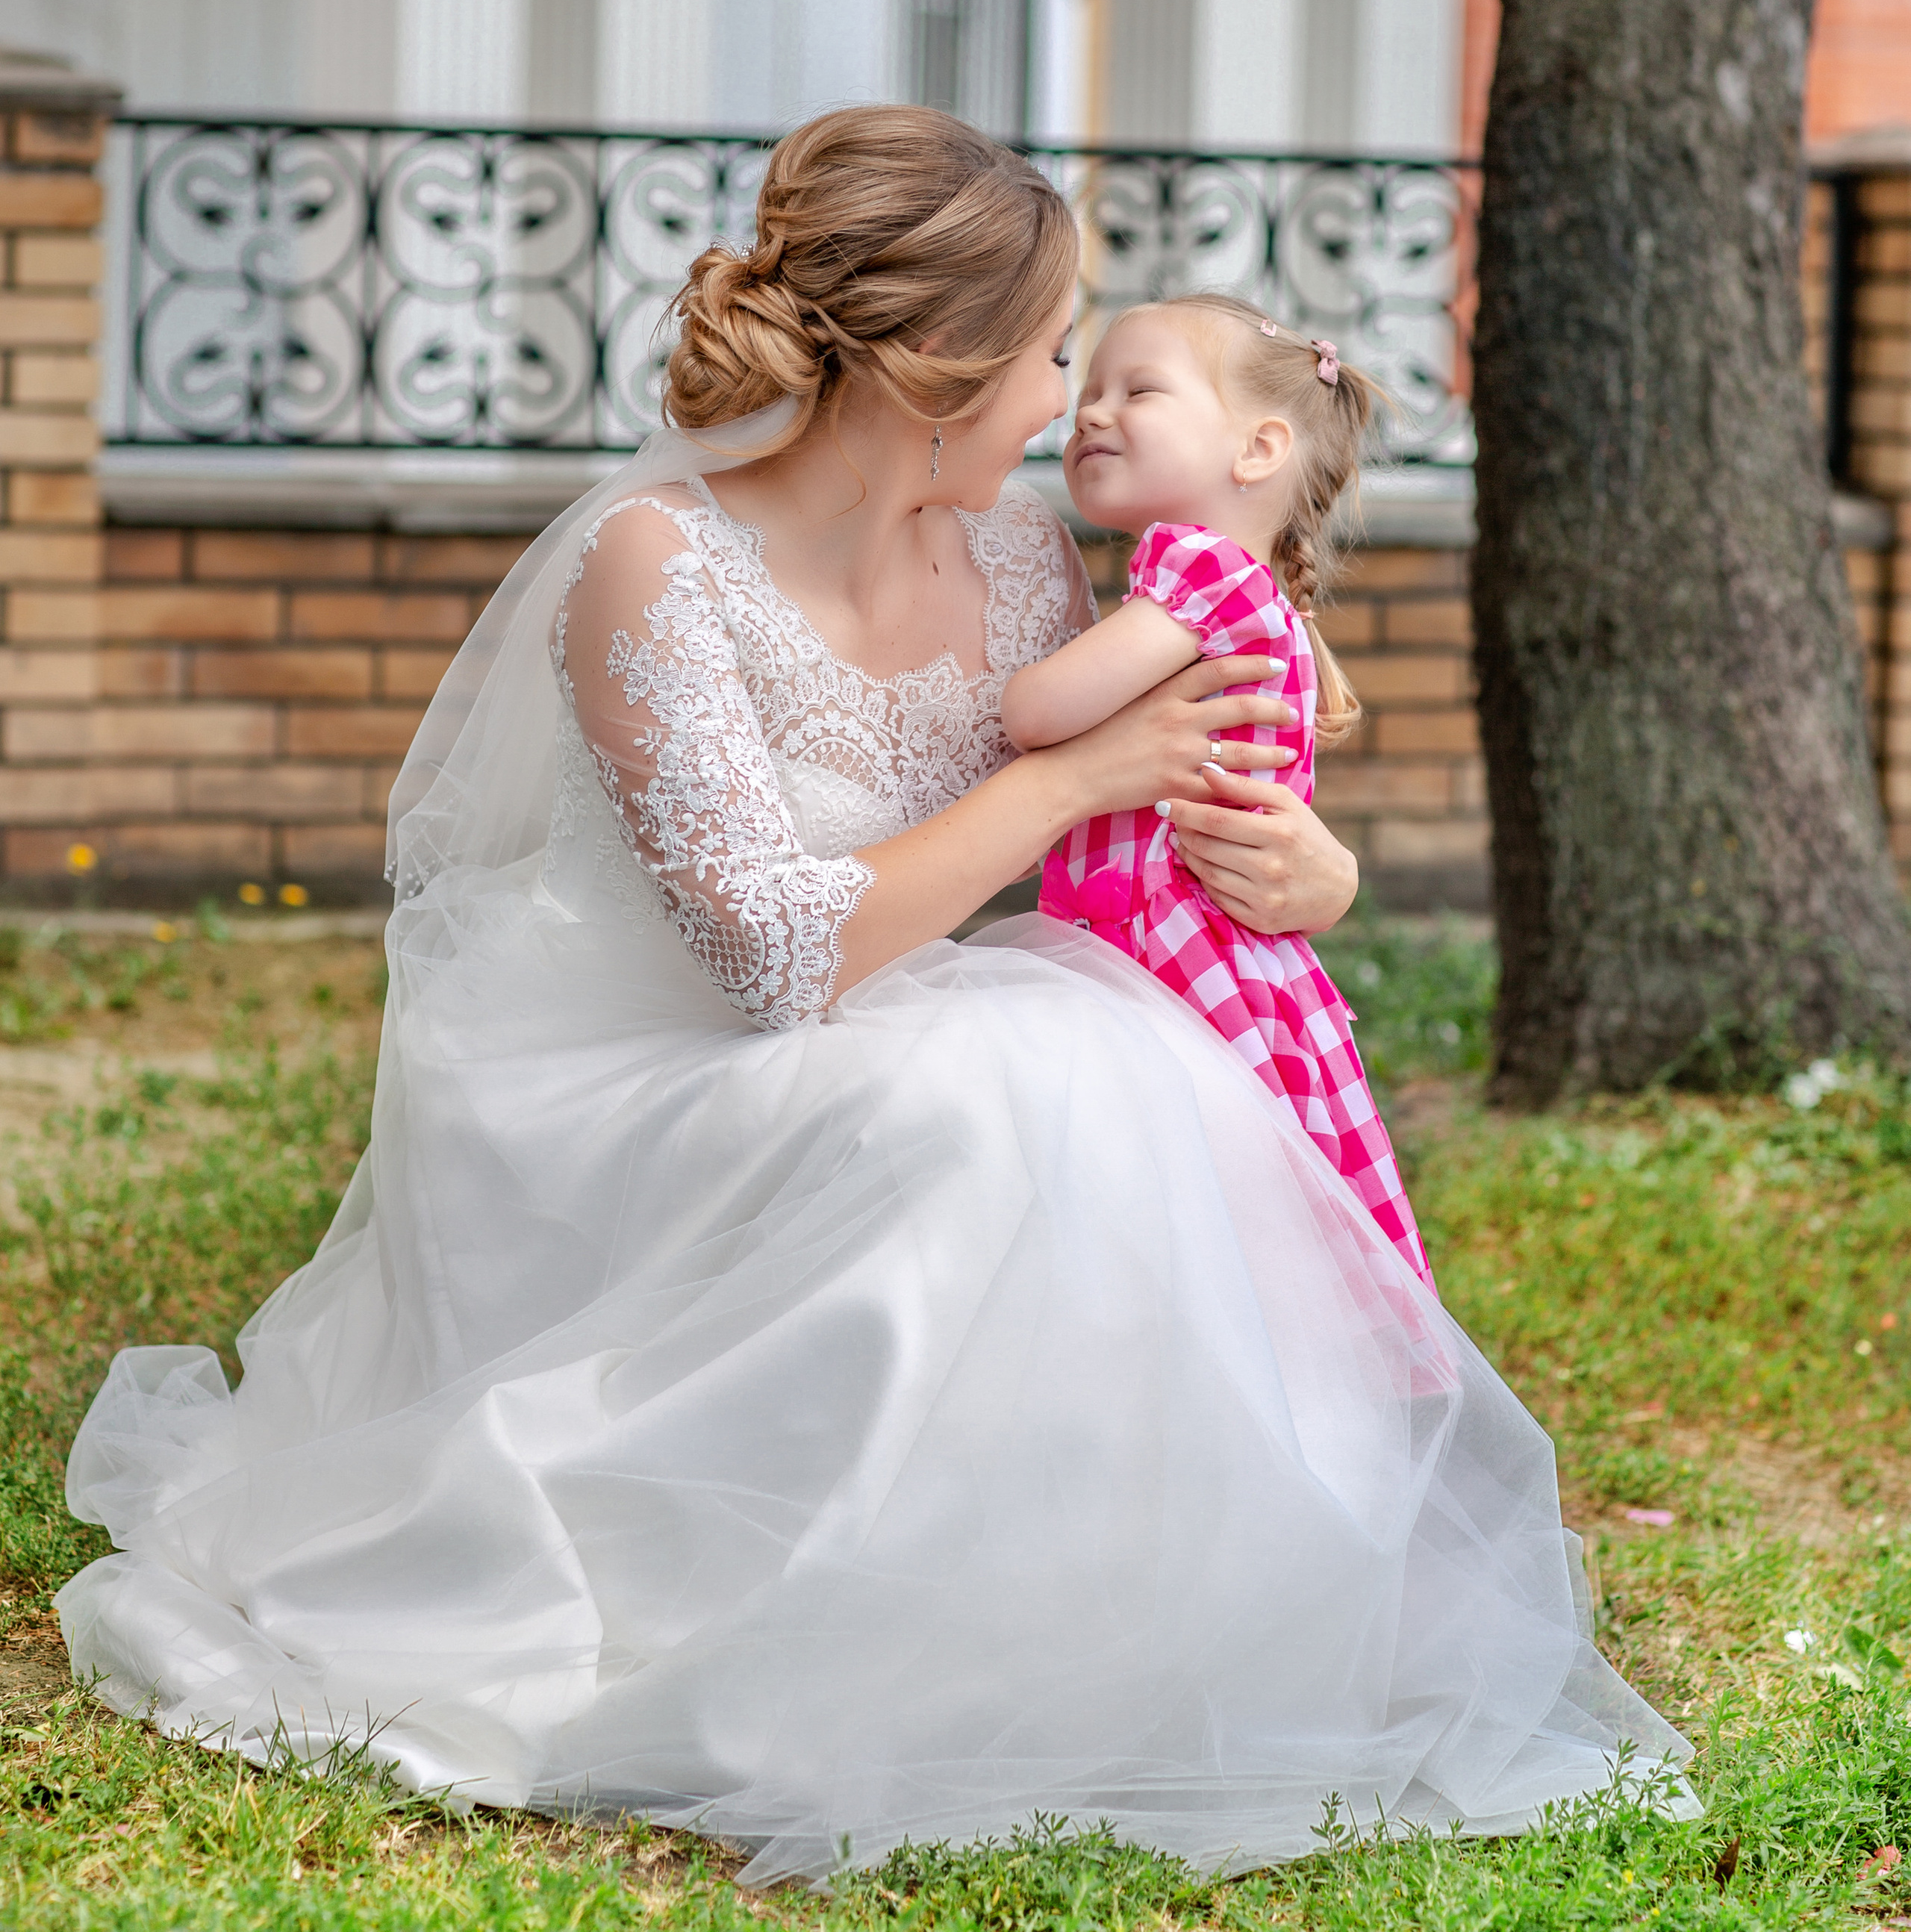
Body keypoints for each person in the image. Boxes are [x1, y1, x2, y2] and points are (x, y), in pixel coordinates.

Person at [56, 107, 1692, 1883]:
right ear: (938, 368)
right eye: (1054, 351)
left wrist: (1320, 872)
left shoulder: (1015, 565)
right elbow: (770, 964)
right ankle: (788, 1607)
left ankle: (1085, 1606)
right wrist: (1066, 785)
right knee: (976, 1107)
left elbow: (1167, 806)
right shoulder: (652, 570)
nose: (1070, 397)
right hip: (637, 1067)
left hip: (906, 994)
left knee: (1121, 1086)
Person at [1003, 296, 1430, 1283]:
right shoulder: (1250, 593)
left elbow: (1036, 711)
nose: (1089, 413)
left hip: (1173, 942)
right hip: (1213, 941)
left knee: (1174, 1197)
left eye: (1137, 390)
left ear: (1258, 448)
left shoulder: (1202, 577)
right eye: (1089, 388)